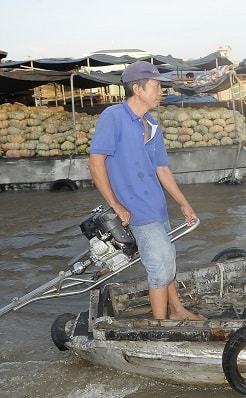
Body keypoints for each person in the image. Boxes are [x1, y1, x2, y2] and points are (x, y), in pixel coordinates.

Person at [88, 61, 205, 320]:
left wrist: (183, 203)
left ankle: (177, 310)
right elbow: (95, 164)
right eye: (156, 86)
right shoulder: (114, 117)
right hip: (136, 210)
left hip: (156, 206)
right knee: (159, 269)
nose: (160, 91)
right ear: (137, 89)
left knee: (168, 260)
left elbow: (162, 169)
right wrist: (116, 206)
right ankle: (160, 326)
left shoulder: (151, 124)